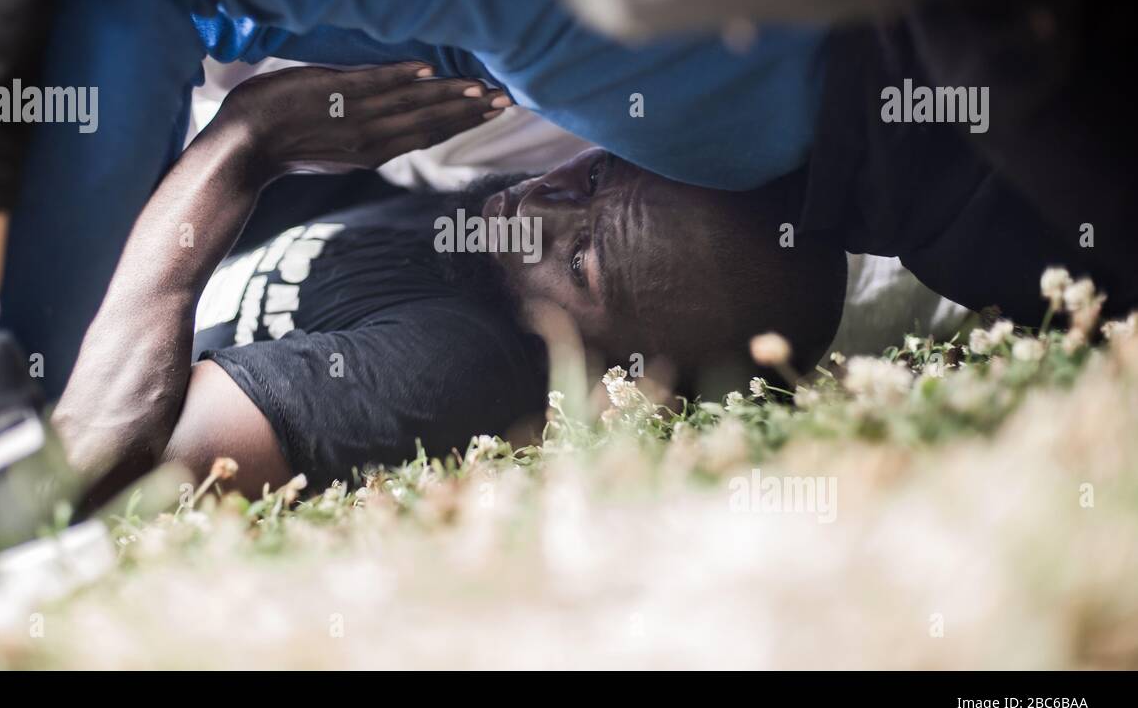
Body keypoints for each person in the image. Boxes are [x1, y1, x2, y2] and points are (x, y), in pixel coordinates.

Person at [54, 63, 847, 499]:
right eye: (596, 175)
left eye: (582, 263)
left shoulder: (450, 366)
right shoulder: (488, 231)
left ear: (623, 374)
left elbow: (93, 464)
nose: (540, 205)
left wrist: (244, 142)